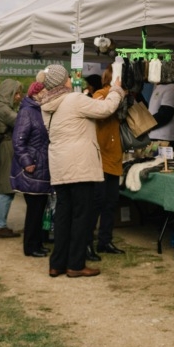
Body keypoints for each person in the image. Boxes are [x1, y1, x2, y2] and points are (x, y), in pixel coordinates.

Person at [39, 64, 123, 278]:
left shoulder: (46, 104)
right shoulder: (73, 99)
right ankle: (76, 265)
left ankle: (57, 263)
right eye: (67, 77)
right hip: (80, 165)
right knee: (81, 216)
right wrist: (115, 90)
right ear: (63, 81)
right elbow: (105, 109)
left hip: (59, 163)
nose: (70, 79)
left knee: (64, 215)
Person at [11, 81, 52, 258]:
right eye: (44, 91)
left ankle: (37, 243)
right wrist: (27, 161)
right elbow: (19, 140)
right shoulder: (28, 112)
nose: (47, 94)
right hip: (33, 168)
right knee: (34, 210)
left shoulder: (41, 111)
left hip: (42, 167)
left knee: (40, 209)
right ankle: (30, 246)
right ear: (36, 93)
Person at [91, 67, 125, 257]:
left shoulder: (123, 96)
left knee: (111, 203)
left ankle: (105, 241)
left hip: (114, 156)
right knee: (98, 202)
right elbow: (100, 113)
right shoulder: (100, 94)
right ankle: (89, 241)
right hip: (101, 156)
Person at [0, 79, 23, 238]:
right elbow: (20, 122)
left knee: (1, 186)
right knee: (8, 188)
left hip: (2, 146)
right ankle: (0, 226)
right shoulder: (3, 109)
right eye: (17, 93)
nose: (19, 97)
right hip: (6, 147)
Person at [147, 60, 174, 146]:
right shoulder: (158, 87)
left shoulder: (172, 88)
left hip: (165, 138)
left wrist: (146, 125)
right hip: (154, 135)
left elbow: (165, 114)